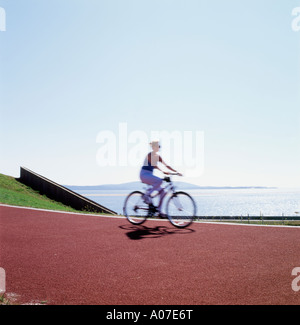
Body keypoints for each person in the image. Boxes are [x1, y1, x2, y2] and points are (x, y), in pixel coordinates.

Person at [140, 140, 182, 216]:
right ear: (153, 147)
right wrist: (163, 171)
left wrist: (176, 171)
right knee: (159, 181)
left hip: (149, 175)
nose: (159, 147)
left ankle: (159, 211)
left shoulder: (158, 157)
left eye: (159, 146)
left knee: (163, 192)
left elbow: (166, 165)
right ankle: (146, 196)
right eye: (157, 146)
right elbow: (154, 164)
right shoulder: (149, 155)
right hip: (144, 174)